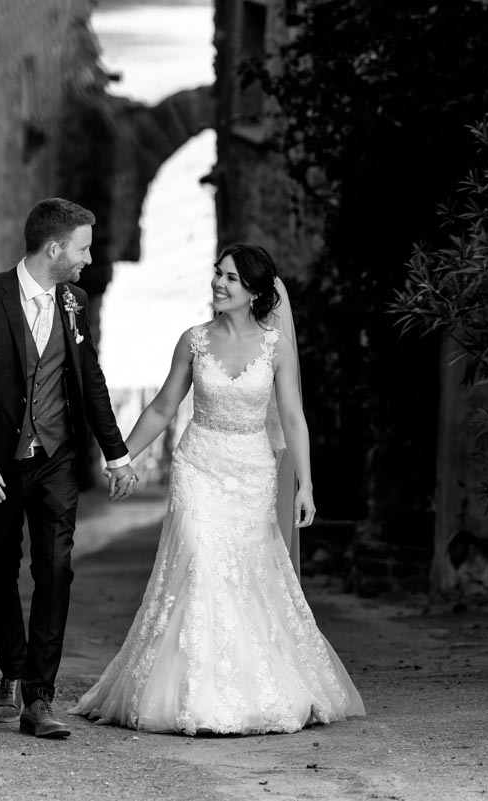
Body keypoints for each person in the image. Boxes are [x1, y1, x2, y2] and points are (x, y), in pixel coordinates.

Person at [71, 244, 364, 734]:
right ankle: (190, 695)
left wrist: (306, 485)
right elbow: (164, 407)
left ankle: (244, 690)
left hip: (251, 473)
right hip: (198, 466)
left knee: (245, 577)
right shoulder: (194, 341)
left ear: (254, 291)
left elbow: (292, 416)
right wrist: (120, 456)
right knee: (199, 564)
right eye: (217, 274)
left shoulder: (276, 347)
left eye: (230, 278)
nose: (218, 284)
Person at [0, 198, 140, 740]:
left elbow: (89, 378)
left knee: (55, 567)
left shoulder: (75, 301)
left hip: (57, 460)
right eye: (83, 247)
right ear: (54, 248)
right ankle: (13, 669)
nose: (88, 259)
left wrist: (116, 454)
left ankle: (39, 697)